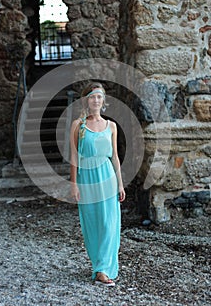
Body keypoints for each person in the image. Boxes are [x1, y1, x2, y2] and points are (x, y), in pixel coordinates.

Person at [70, 81, 125, 286]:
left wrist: (120, 184)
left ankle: (103, 269)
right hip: (87, 179)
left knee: (109, 224)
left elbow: (115, 157)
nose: (96, 100)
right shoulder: (78, 126)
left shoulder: (111, 126)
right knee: (93, 224)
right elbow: (74, 157)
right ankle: (98, 266)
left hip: (108, 178)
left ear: (103, 101)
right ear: (87, 100)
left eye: (99, 97)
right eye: (92, 96)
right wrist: (73, 184)